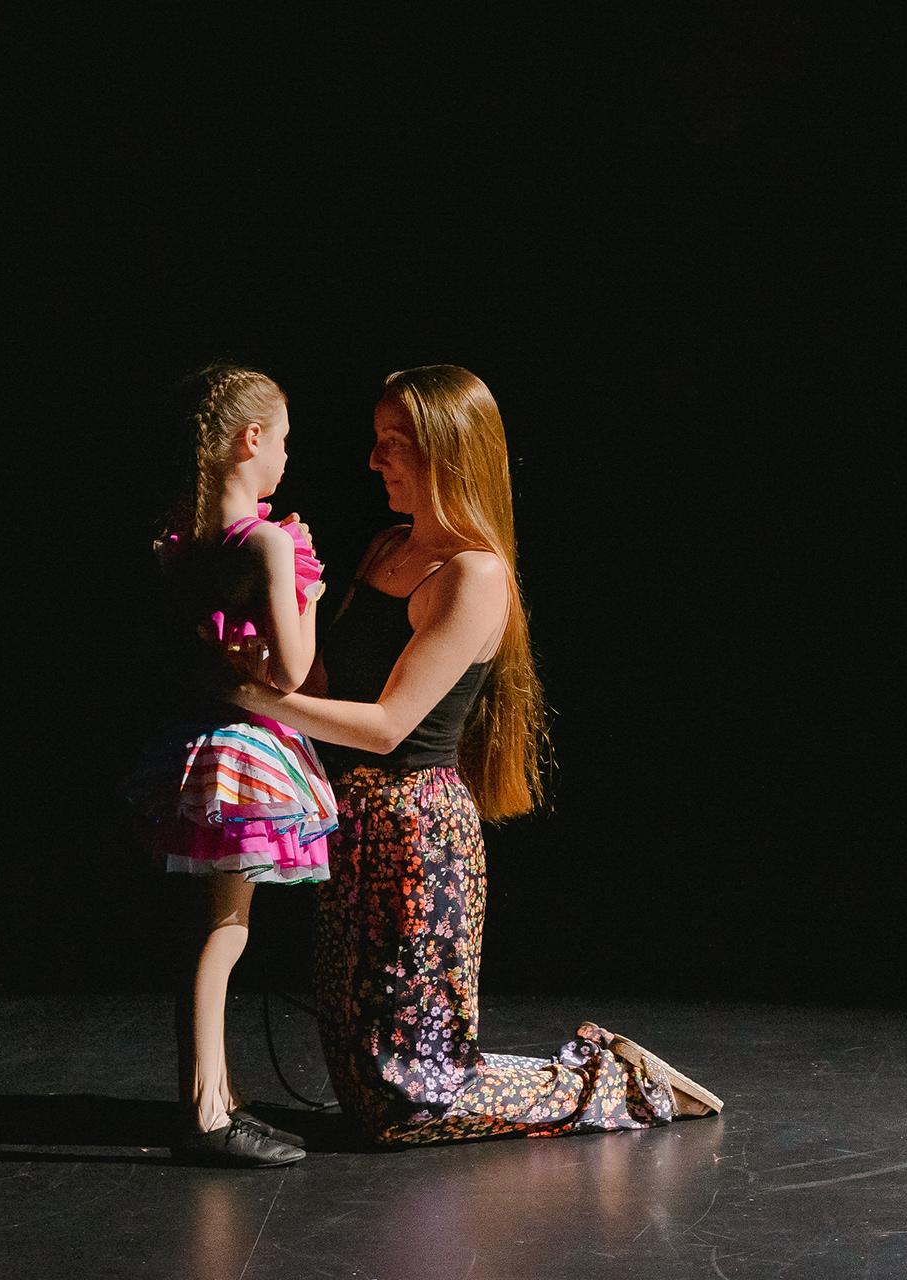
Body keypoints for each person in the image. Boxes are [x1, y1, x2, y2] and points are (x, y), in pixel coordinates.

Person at [225, 364, 722, 1147]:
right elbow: (321, 684)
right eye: (378, 439)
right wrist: (288, 600)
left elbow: (388, 726)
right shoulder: (385, 547)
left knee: (409, 1103)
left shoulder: (474, 574)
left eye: (394, 442)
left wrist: (253, 699)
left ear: (445, 450)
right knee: (371, 1098)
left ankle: (614, 1081)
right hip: (348, 826)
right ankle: (594, 1076)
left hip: (416, 838)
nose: (374, 459)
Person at [125, 363, 334, 1168]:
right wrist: (307, 589)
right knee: (224, 930)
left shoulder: (181, 545)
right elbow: (293, 674)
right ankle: (207, 1110)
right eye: (282, 440)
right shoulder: (269, 542)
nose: (285, 457)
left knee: (214, 925)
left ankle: (216, 1094)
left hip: (192, 743)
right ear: (251, 440)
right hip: (245, 749)